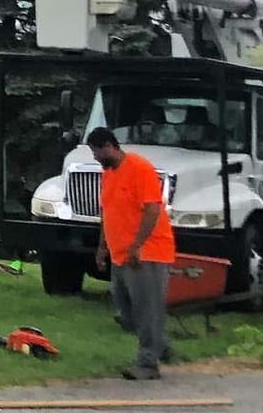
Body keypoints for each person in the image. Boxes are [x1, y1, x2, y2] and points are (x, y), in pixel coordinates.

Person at [87, 125, 176, 381]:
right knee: (126, 311)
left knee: (146, 307)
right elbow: (107, 212)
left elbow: (152, 210)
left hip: (148, 252)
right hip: (120, 253)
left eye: (96, 152)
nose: (95, 158)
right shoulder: (108, 173)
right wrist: (102, 246)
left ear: (109, 147)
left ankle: (148, 364)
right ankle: (160, 345)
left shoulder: (140, 168)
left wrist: (138, 245)